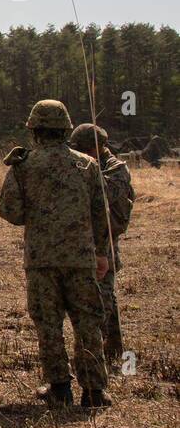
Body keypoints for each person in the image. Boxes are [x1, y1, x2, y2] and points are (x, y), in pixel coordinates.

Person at [0, 101, 112, 407]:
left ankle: (60, 387)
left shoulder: (24, 165)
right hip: (81, 258)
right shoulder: (88, 165)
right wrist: (102, 253)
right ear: (65, 129)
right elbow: (102, 215)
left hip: (41, 260)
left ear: (34, 130)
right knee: (87, 320)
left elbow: (10, 211)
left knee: (48, 322)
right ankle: (94, 391)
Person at [69, 123, 134, 371]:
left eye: (85, 149)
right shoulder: (87, 165)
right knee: (99, 296)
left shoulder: (116, 169)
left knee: (103, 297)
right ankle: (106, 347)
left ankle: (104, 353)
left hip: (105, 242)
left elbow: (102, 193)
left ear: (98, 148)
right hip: (87, 240)